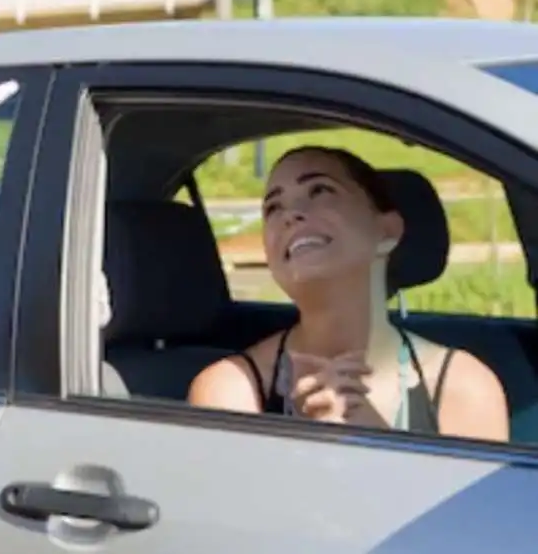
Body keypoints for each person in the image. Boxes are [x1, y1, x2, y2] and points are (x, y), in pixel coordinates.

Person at [188, 146, 509, 443]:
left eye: (319, 190)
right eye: (273, 207)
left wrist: (374, 444)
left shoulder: (463, 386)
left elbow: (478, 506)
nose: (291, 214)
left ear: (387, 231)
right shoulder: (230, 390)